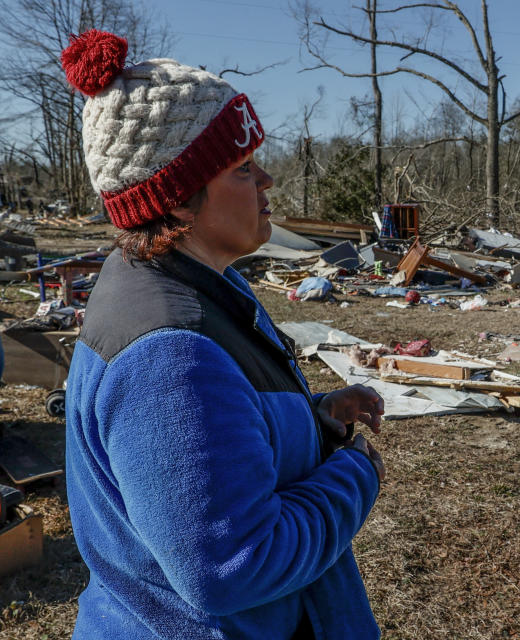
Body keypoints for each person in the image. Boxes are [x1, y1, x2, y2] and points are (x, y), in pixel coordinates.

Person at [60, 29, 385, 640]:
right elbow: (232, 565)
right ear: (180, 202)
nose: (266, 181)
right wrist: (356, 473)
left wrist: (313, 422)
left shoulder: (196, 282)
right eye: (242, 168)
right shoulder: (167, 355)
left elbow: (210, 439)